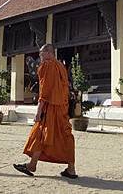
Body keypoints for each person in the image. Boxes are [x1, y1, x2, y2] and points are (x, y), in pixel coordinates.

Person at [14, 44, 77, 179]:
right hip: (62, 107)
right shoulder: (60, 66)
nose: (40, 57)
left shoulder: (47, 66)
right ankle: (71, 169)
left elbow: (45, 90)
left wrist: (39, 110)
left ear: (49, 53)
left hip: (50, 106)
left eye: (41, 54)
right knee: (65, 136)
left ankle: (32, 165)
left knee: (40, 133)